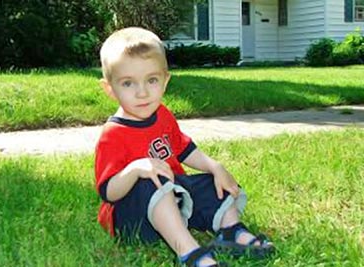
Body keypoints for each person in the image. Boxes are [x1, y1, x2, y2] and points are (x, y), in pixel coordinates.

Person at [95, 27, 274, 267]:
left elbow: (183, 149)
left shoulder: (162, 115)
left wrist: (213, 165)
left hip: (175, 200)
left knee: (211, 180)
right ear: (109, 88)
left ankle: (231, 230)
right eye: (128, 83)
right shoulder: (113, 134)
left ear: (165, 80)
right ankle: (188, 251)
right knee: (153, 181)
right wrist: (136, 169)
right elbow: (109, 192)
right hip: (133, 216)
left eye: (152, 80)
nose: (142, 92)